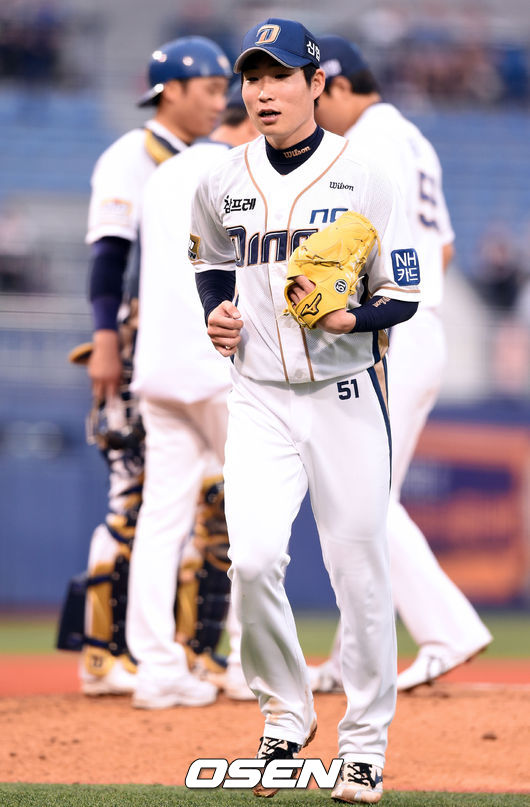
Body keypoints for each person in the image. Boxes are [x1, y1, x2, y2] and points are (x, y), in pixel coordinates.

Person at [189, 18, 421, 804]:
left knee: (360, 574)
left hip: (345, 394)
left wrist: (354, 318)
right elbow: (212, 262)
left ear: (317, 84)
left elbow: (404, 294)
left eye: (280, 76)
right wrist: (217, 314)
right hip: (258, 396)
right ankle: (285, 714)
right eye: (253, 77)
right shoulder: (222, 178)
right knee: (253, 560)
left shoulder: (368, 174)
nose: (263, 91)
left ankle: (364, 746)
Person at [308, 35, 492, 693]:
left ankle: (449, 630)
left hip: (389, 333)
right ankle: (356, 657)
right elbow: (441, 251)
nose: (310, 111)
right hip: (417, 326)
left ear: (336, 86)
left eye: (315, 95)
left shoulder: (366, 145)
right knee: (361, 503)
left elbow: (358, 251)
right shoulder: (410, 137)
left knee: (362, 498)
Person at [78, 35, 232, 697]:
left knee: (193, 514)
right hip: (143, 346)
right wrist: (105, 339)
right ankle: (100, 657)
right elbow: (108, 258)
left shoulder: (206, 158)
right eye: (211, 89)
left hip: (173, 352)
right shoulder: (132, 156)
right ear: (172, 90)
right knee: (131, 504)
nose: (221, 102)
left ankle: (179, 658)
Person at [127, 88, 259, 708]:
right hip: (216, 366)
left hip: (158, 367)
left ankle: (156, 670)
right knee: (252, 515)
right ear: (245, 124)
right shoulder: (238, 171)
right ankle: (248, 666)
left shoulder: (163, 175)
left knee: (161, 520)